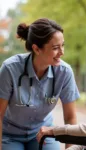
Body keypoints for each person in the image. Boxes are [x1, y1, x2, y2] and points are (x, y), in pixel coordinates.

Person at [0, 18, 80, 150]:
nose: (62, 52)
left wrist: (69, 149)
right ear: (36, 49)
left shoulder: (64, 72)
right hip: (10, 135)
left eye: (63, 45)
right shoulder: (10, 69)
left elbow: (70, 117)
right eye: (55, 48)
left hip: (43, 133)